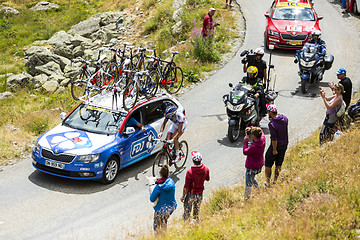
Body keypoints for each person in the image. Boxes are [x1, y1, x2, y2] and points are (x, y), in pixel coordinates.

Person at [181, 151, 210, 222]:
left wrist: (183, 196)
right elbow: (208, 179)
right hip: (200, 194)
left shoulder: (190, 172)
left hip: (191, 194)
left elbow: (186, 187)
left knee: (187, 213)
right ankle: (196, 225)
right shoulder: (206, 169)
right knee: (196, 214)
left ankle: (187, 226)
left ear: (193, 161)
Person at [265, 104, 289, 186]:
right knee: (279, 163)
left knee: (268, 163)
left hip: (276, 145)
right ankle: (275, 181)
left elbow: (274, 138)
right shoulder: (284, 118)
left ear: (270, 112)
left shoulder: (272, 124)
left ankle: (268, 182)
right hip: (284, 144)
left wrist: (274, 150)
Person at [150, 164, 177, 234]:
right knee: (164, 222)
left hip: (161, 210)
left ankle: (158, 237)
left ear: (160, 174)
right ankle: (164, 236)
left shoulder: (159, 186)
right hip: (171, 208)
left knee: (156, 226)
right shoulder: (171, 182)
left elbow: (152, 199)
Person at [243, 126, 265, 200]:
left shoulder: (254, 147)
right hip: (259, 165)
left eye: (251, 133)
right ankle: (258, 190)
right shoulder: (263, 139)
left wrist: (246, 141)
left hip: (252, 167)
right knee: (252, 178)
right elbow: (261, 130)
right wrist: (251, 128)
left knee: (248, 184)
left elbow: (245, 151)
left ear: (254, 136)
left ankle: (246, 199)